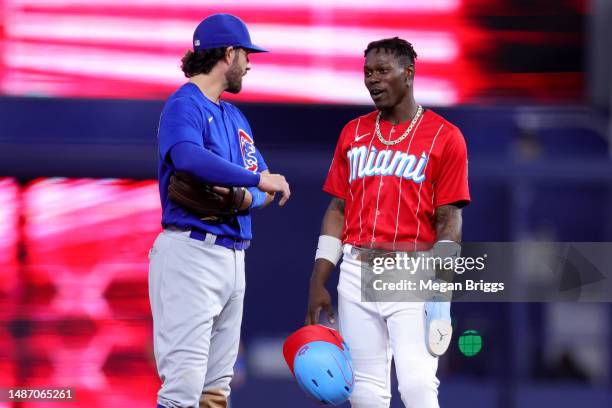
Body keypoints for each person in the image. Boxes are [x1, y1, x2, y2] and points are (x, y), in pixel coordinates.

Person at [305, 37, 470, 408]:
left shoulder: (446, 136)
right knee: (364, 392)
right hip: (355, 270)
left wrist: (442, 291)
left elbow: (450, 219)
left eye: (383, 71)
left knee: (417, 387)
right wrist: (319, 278)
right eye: (368, 72)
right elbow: (337, 209)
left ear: (408, 73)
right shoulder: (353, 132)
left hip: (411, 271)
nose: (373, 80)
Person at [148, 14, 290, 408]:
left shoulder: (234, 116)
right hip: (189, 253)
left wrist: (241, 194)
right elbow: (187, 157)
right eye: (246, 54)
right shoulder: (184, 104)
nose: (249, 63)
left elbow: (265, 182)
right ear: (228, 54)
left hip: (233, 255)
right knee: (182, 388)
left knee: (216, 391)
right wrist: (254, 184)